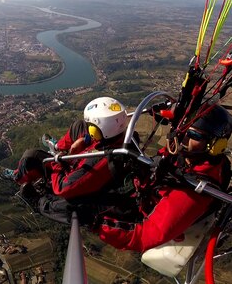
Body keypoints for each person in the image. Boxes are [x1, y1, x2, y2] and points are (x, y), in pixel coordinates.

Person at [95, 103, 232, 252]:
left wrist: (94, 222)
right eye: (184, 129)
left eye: (195, 135)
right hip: (146, 189)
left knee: (80, 206)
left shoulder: (194, 191)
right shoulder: (188, 157)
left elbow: (142, 237)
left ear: (214, 145)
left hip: (143, 212)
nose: (184, 137)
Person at [0, 96, 130, 201]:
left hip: (68, 169)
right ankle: (58, 146)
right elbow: (94, 135)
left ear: (97, 132)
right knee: (79, 125)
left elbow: (63, 188)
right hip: (94, 146)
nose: (89, 128)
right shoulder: (120, 136)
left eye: (91, 127)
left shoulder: (99, 160)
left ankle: (17, 177)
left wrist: (56, 162)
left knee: (30, 156)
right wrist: (86, 139)